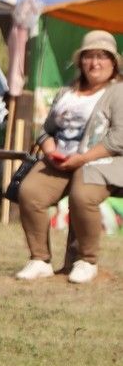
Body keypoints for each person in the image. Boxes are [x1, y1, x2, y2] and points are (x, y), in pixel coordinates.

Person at [14, 30, 122, 284]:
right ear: (81, 62)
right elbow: (45, 130)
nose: (95, 63)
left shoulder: (117, 92)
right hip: (60, 159)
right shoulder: (67, 92)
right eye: (89, 57)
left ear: (113, 62)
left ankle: (87, 261)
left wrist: (82, 159)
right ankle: (39, 259)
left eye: (102, 57)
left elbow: (118, 138)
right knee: (30, 193)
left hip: (103, 160)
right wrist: (51, 151)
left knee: (82, 196)